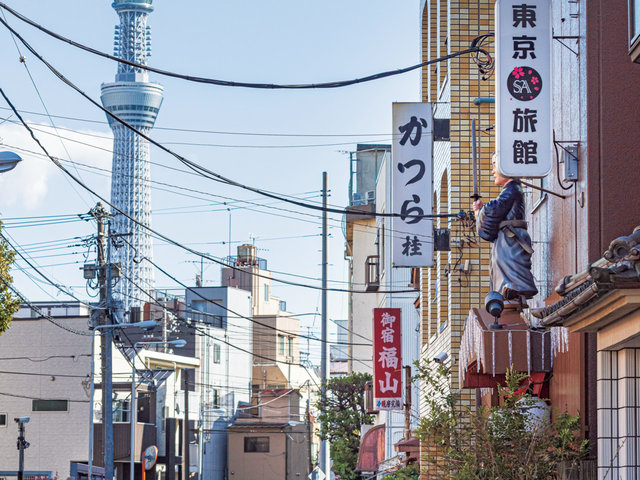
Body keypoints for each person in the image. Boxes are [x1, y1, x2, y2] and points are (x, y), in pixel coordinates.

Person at [472, 152, 538, 300]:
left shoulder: (512, 189)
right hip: (508, 239)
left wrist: (479, 212)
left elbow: (494, 209)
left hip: (511, 240)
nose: (492, 171)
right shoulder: (511, 189)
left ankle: (511, 291)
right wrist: (480, 212)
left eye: (495, 165)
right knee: (504, 271)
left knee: (510, 274)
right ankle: (508, 291)